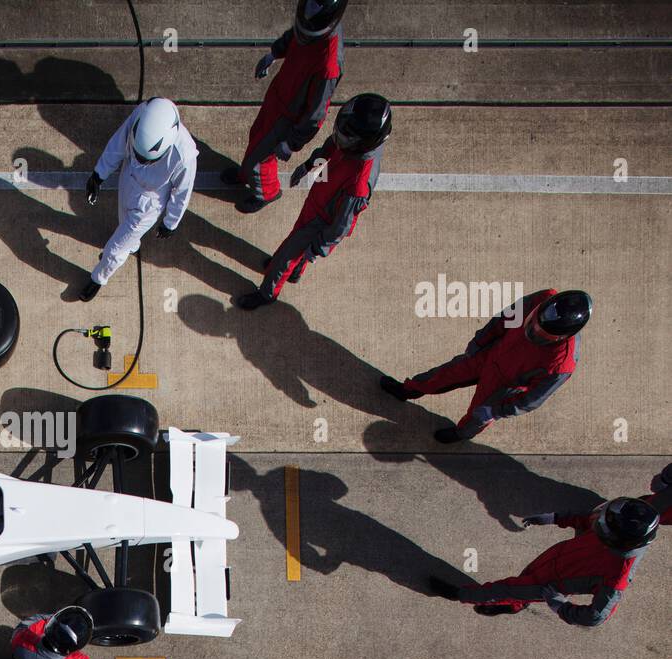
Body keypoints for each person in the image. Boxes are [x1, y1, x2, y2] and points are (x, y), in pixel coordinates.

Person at [237, 92, 390, 310]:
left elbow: (342, 225)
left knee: (284, 258)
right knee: (295, 252)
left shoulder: (359, 183)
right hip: (319, 201)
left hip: (321, 219)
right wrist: (311, 164)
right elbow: (332, 145)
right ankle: (296, 272)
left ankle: (267, 293)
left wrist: (318, 248)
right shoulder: (355, 139)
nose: (340, 136)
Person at [380, 289, 590, 443]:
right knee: (440, 376)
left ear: (563, 337)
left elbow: (532, 400)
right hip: (489, 354)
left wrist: (497, 411)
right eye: (532, 325)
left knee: (477, 416)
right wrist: (479, 342)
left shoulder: (562, 364)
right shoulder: (541, 299)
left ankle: (460, 434)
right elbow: (504, 318)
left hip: (503, 385)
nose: (533, 332)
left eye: (540, 335)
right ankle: (407, 390)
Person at [429, 497, 659, 627]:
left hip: (548, 585)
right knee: (519, 584)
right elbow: (586, 519)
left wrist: (560, 605)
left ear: (617, 541)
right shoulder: (619, 527)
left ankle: (460, 594)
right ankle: (514, 606)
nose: (597, 524)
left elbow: (596, 616)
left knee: (502, 589)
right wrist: (554, 518)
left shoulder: (617, 575)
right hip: (552, 558)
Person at [223, 0, 347, 214]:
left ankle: (266, 192)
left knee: (260, 161)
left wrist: (291, 143)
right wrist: (273, 54)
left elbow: (316, 115)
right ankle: (245, 173)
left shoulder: (329, 65)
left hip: (289, 116)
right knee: (256, 136)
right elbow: (295, 37)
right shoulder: (312, 22)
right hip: (279, 94)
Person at [81, 97, 198, 300]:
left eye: (147, 159)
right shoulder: (141, 116)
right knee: (122, 220)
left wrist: (170, 222)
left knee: (115, 248)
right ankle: (132, 246)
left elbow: (182, 192)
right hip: (128, 179)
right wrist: (99, 174)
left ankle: (99, 277)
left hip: (150, 201)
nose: (140, 160)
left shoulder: (185, 155)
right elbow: (118, 143)